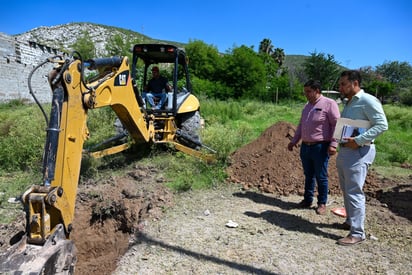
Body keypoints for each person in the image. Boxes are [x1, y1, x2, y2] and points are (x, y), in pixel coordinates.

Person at [336, 70, 388, 246]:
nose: (340, 87)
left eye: (343, 84)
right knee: (347, 189)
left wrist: (358, 140)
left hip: (358, 152)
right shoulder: (349, 102)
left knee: (354, 192)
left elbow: (382, 125)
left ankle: (357, 233)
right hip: (345, 151)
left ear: (355, 83)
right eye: (340, 84)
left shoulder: (367, 100)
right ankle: (351, 221)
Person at [287, 80, 340, 215]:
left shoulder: (329, 104)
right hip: (306, 146)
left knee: (321, 176)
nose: (306, 94)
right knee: (308, 175)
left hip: (320, 147)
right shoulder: (307, 106)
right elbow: (301, 126)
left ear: (317, 90)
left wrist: (334, 144)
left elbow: (337, 125)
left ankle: (322, 203)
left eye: (308, 91)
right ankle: (307, 199)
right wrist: (294, 141)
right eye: (305, 92)